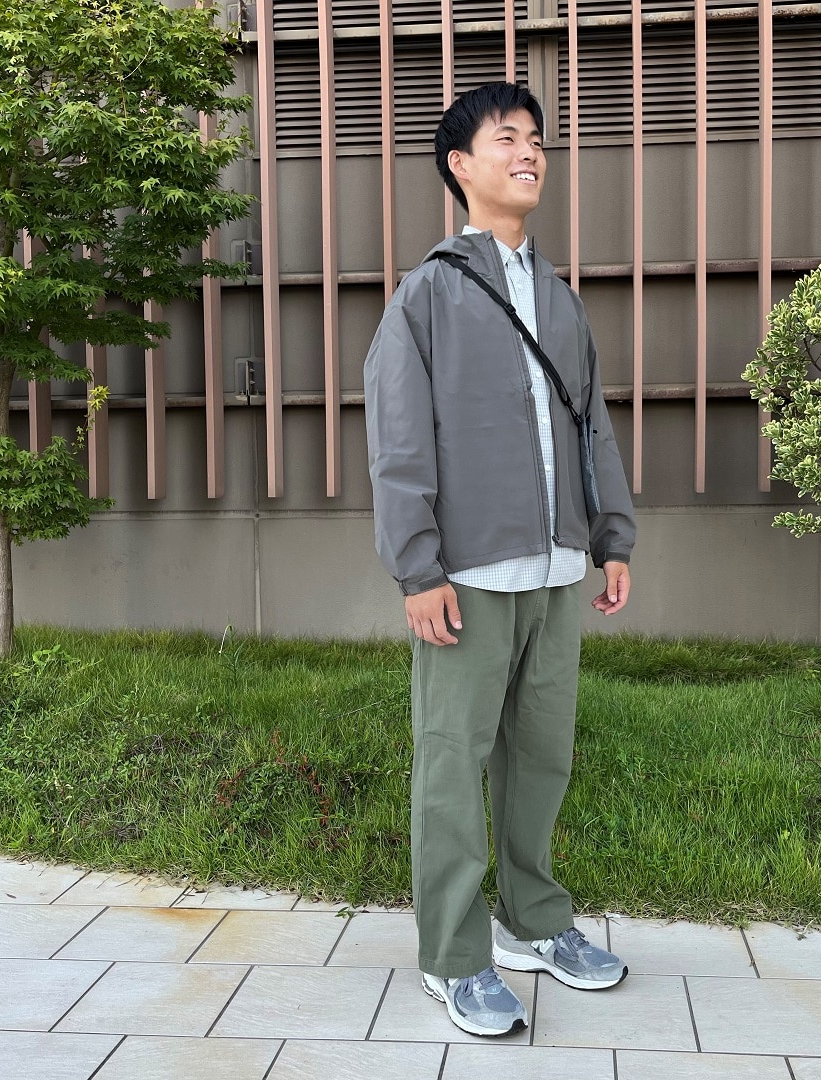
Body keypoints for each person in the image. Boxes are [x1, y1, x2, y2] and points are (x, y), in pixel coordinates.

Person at [363, 81, 636, 1038]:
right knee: (452, 762)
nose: (529, 153)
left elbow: (593, 426)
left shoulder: (559, 299)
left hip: (557, 569)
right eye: (506, 138)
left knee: (542, 757)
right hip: (467, 578)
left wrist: (611, 538)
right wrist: (418, 568)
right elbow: (399, 443)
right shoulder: (428, 294)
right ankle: (453, 955)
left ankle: (533, 918)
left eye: (537, 140)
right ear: (460, 166)